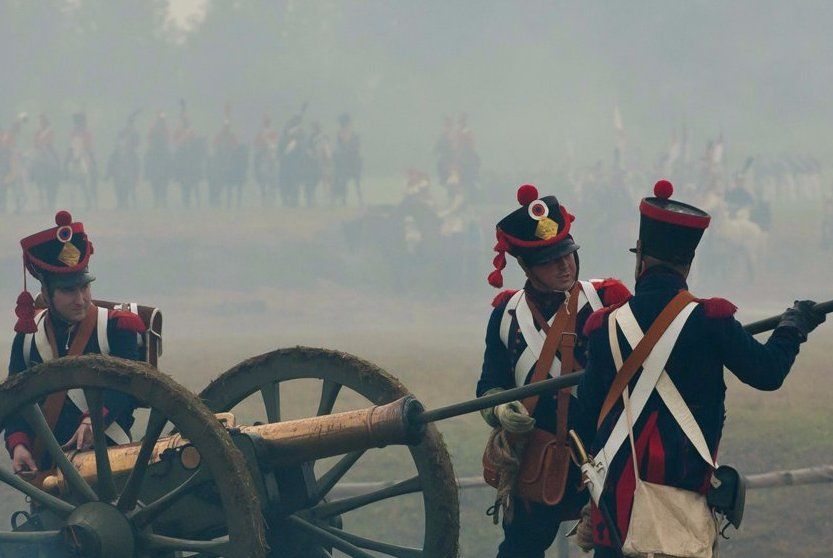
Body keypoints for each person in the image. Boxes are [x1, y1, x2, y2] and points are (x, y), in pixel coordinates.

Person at [577, 180, 825, 557]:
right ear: (688, 262)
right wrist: (793, 327)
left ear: (640, 255)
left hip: (615, 507)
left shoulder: (603, 326)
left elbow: (588, 414)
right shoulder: (711, 320)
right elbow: (768, 372)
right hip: (681, 500)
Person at [477, 184, 630, 558]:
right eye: (550, 260)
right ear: (526, 266)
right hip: (538, 458)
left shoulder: (607, 300)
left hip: (604, 452)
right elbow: (490, 384)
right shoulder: (506, 315)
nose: (565, 266)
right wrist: (499, 408)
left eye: (569, 255)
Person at [4, 211, 146, 477]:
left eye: (84, 288)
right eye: (68, 291)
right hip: (47, 471)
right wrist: (19, 444)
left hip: (110, 464)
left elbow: (127, 386)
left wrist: (95, 419)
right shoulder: (27, 338)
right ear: (46, 294)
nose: (81, 299)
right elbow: (15, 401)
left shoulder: (117, 328)